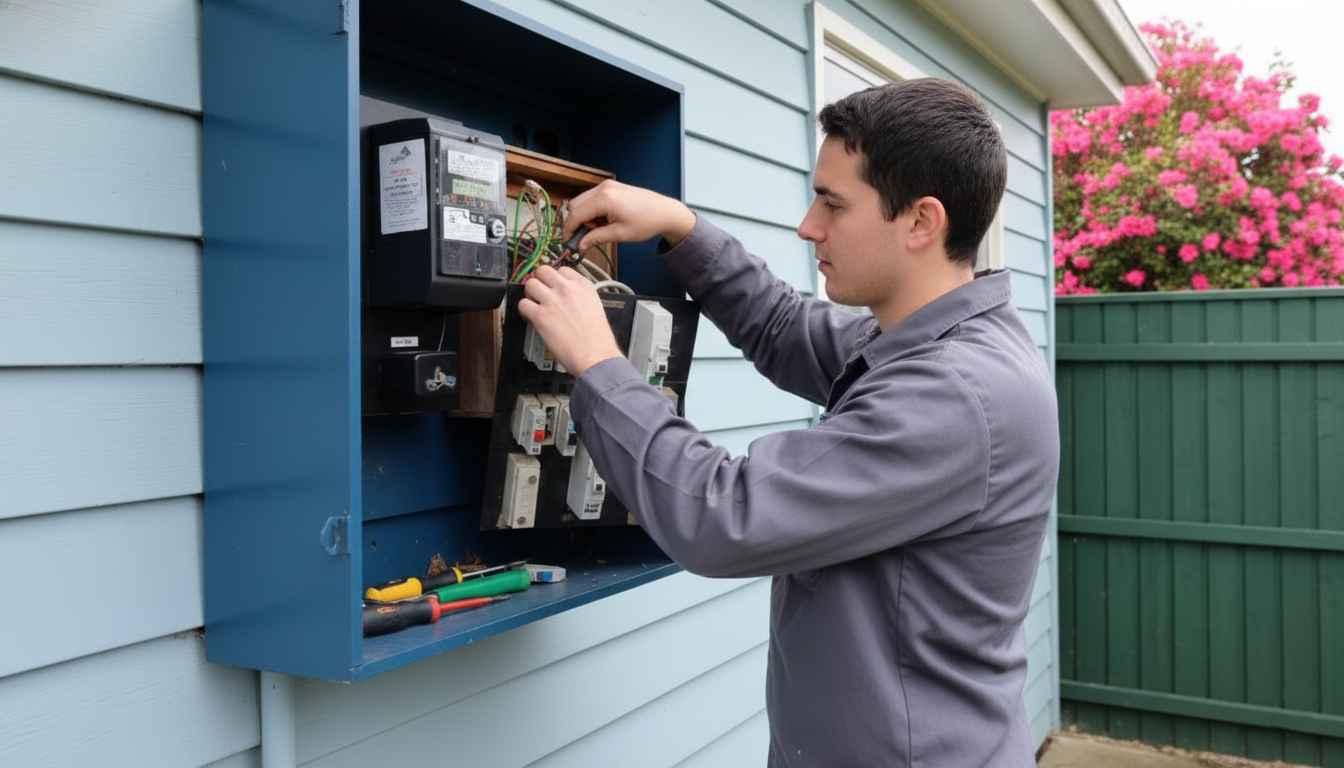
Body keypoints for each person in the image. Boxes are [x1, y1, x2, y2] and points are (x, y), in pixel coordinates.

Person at [518, 78, 1059, 767]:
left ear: (922, 222)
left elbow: (723, 517)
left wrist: (598, 363)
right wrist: (681, 227)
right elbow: (783, 327)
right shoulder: (926, 340)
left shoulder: (957, 393)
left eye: (833, 203)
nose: (809, 225)